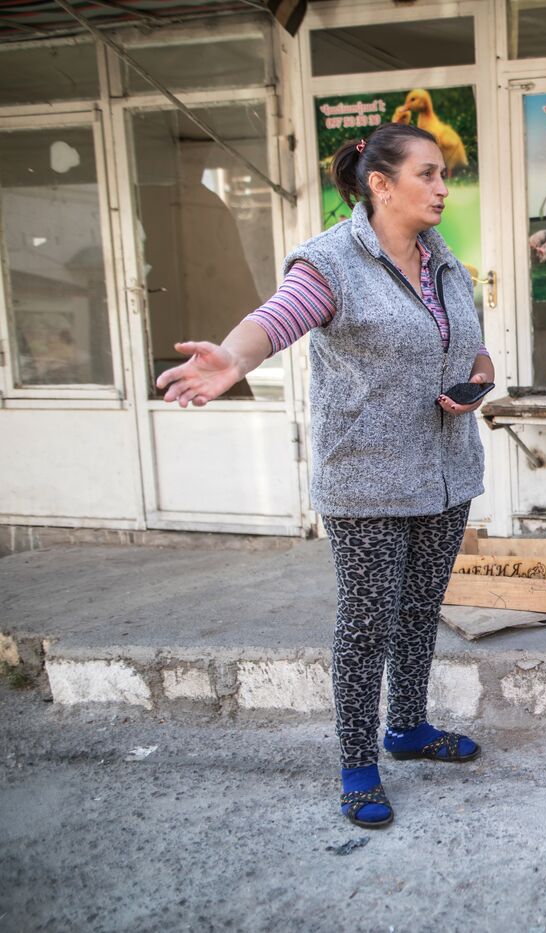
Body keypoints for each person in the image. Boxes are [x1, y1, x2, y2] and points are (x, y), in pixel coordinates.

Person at [155, 122, 492, 829]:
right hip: (366, 477)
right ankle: (357, 762)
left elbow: (472, 346)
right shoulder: (330, 262)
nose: (441, 186)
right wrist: (234, 359)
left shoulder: (442, 259)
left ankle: (406, 727)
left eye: (442, 175)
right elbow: (276, 319)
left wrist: (477, 379)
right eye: (427, 174)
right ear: (380, 184)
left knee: (418, 609)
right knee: (367, 621)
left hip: (443, 472)